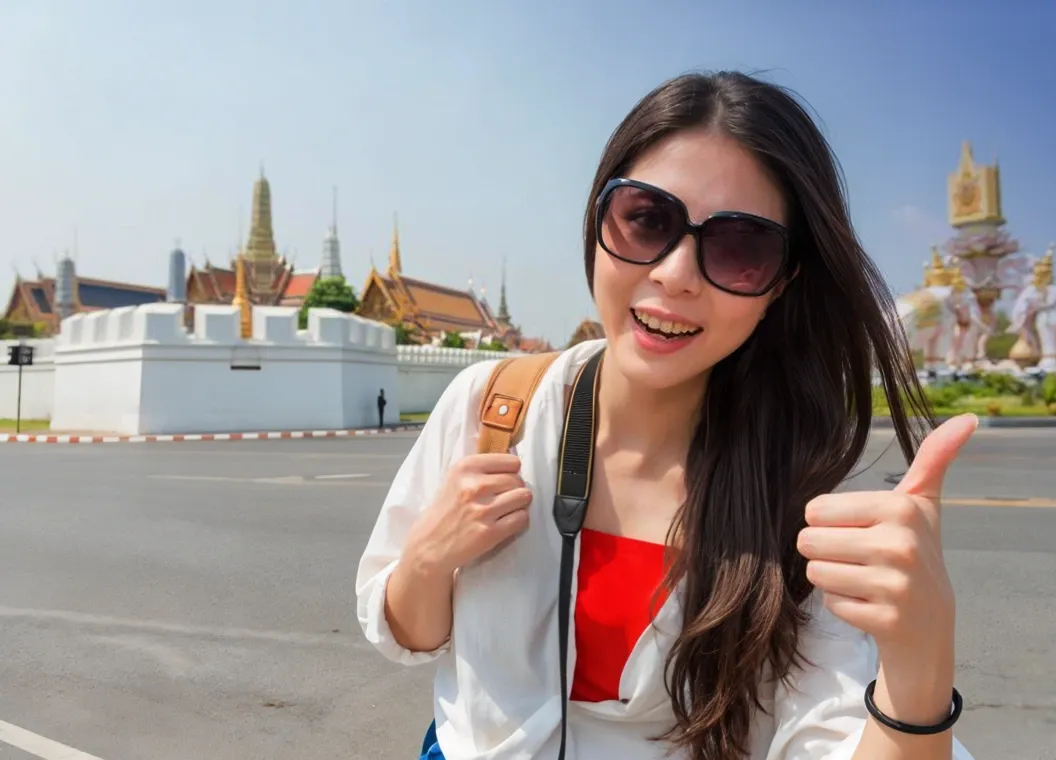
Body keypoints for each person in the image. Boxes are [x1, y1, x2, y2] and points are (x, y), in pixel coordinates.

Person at [356, 71, 976, 760]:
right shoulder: (493, 407)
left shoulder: (810, 484)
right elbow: (404, 634)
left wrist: (919, 673)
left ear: (782, 283)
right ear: (598, 220)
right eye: (647, 220)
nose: (676, 273)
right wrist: (429, 560)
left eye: (741, 249)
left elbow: (828, 742)